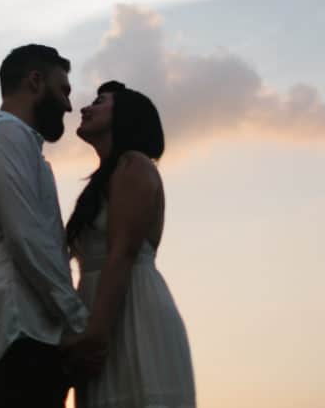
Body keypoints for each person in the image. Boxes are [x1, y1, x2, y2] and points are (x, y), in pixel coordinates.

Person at [0, 44, 102, 408]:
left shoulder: (17, 146)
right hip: (18, 338)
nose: (68, 106)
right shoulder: (5, 136)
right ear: (35, 82)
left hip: (21, 339)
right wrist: (80, 322)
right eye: (63, 90)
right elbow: (27, 238)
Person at [66, 80, 196, 408]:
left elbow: (122, 252)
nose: (85, 108)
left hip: (132, 309)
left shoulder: (134, 164)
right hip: (101, 309)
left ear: (125, 115)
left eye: (100, 101)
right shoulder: (103, 179)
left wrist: (96, 335)